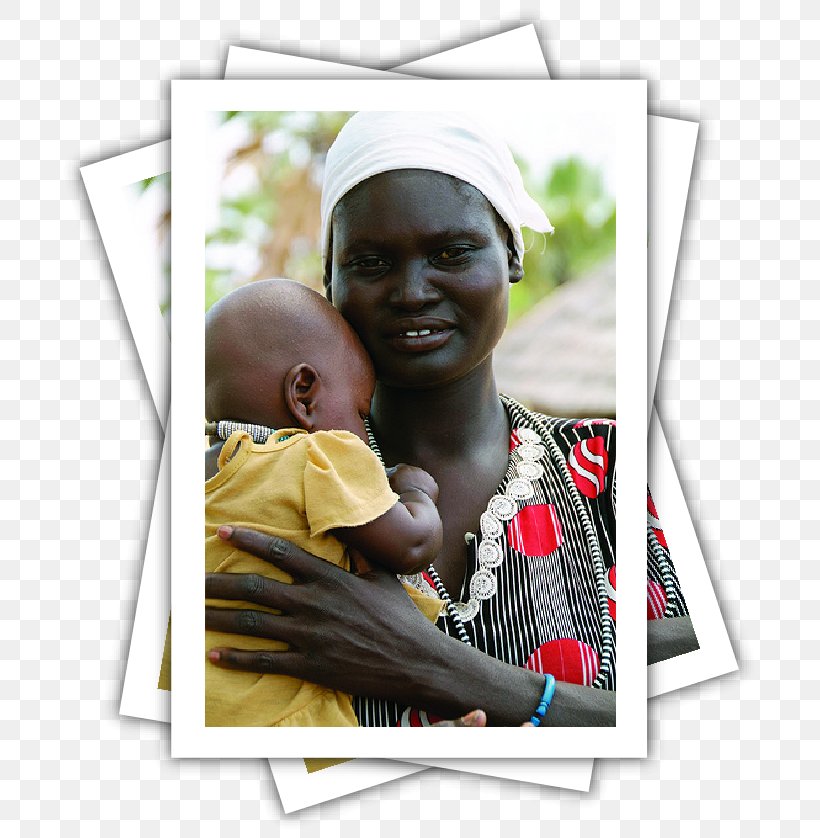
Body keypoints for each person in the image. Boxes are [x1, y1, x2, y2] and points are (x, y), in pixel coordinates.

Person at [205, 111, 696, 727]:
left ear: (511, 256)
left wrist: (436, 666)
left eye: (453, 252)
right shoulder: (252, 484)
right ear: (328, 277)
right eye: (373, 263)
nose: (413, 291)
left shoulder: (613, 472)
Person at [204, 278, 444, 726]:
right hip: (289, 719)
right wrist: (415, 491)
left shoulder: (201, 472)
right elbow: (412, 544)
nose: (364, 436)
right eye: (360, 412)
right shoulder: (317, 455)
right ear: (304, 394)